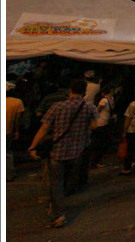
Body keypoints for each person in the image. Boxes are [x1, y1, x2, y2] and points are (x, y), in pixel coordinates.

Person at [27, 79, 99, 229]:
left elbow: (44, 129)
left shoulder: (57, 106)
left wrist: (33, 146)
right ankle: (56, 206)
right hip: (77, 151)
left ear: (69, 90)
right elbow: (94, 126)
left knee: (56, 183)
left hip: (57, 151)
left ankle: (58, 214)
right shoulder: (90, 107)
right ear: (85, 91)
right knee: (65, 180)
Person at [6, 81, 25, 182]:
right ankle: (9, 175)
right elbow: (17, 119)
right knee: (7, 153)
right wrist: (17, 131)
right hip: (8, 131)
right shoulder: (17, 102)